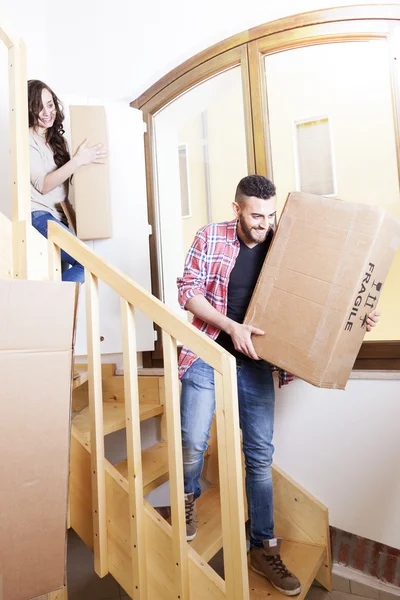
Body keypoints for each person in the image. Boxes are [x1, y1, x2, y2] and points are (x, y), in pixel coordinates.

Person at [177, 175, 380, 596]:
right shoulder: (210, 236)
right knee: (193, 440)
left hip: (255, 362)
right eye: (255, 216)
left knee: (259, 455)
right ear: (236, 209)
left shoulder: (285, 246)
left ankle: (263, 547)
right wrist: (231, 326)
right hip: (208, 348)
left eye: (270, 216)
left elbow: (325, 295)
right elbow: (189, 293)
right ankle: (186, 497)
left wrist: (357, 319)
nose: (264, 224)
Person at [28, 79, 106, 282]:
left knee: (69, 271)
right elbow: (44, 185)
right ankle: (52, 308)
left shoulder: (57, 142)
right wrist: (79, 160)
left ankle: (53, 310)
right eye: (39, 107)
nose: (47, 112)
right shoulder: (27, 140)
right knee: (88, 263)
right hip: (38, 215)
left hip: (59, 218)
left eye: (50, 104)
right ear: (29, 110)